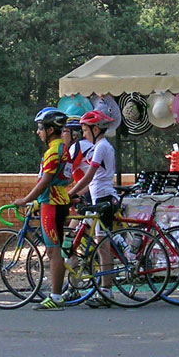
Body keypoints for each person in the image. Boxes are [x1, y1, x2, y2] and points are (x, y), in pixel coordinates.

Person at [13, 108, 72, 310]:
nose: (38, 132)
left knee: (54, 253)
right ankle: (58, 292)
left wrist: (26, 199)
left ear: (50, 129)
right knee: (54, 250)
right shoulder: (63, 148)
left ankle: (55, 297)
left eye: (40, 128)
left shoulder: (53, 151)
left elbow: (44, 181)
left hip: (52, 205)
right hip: (60, 201)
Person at [67, 109, 118, 308]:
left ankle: (106, 291)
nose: (84, 134)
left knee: (103, 246)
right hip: (97, 198)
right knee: (78, 236)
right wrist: (76, 194)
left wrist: (71, 193)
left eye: (85, 130)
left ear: (95, 129)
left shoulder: (101, 147)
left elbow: (89, 177)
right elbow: (91, 180)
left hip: (104, 198)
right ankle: (72, 286)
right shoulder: (100, 146)